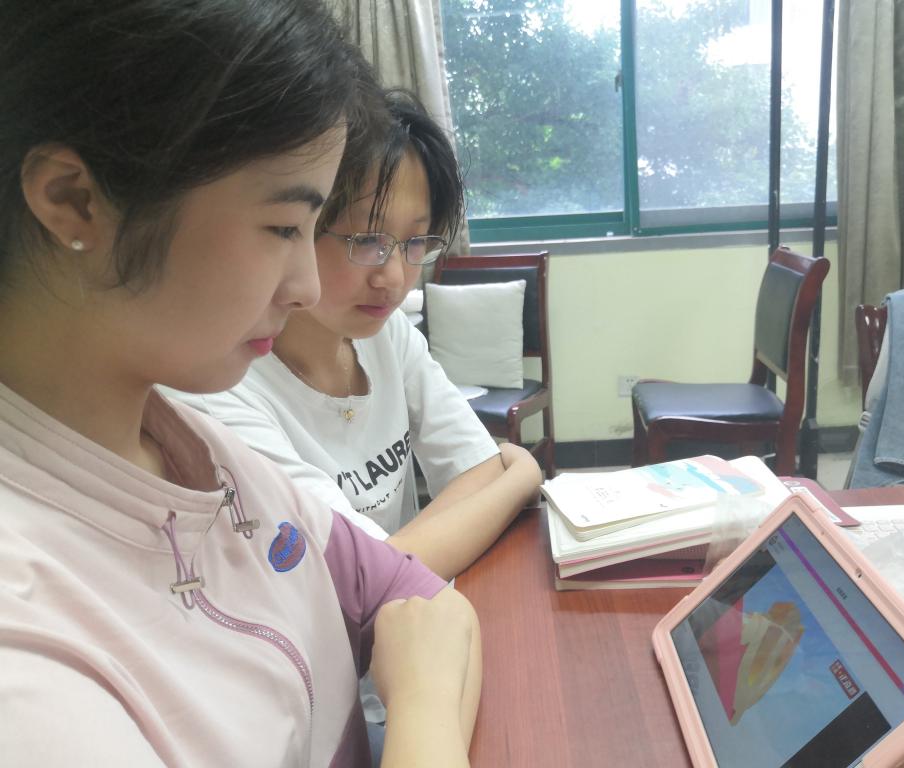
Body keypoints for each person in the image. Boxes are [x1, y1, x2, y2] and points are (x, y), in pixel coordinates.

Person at [0, 2, 479, 767]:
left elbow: (421, 601)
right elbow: (427, 633)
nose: (305, 285)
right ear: (74, 202)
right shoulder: (26, 662)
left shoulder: (197, 454)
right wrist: (421, 699)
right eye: (285, 227)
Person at [172, 89, 543, 581]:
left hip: (423, 610)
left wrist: (409, 552)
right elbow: (369, 577)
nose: (394, 277)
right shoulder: (221, 388)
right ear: (296, 226)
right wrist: (523, 476)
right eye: (366, 240)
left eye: (415, 242)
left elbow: (477, 467)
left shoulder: (387, 333)